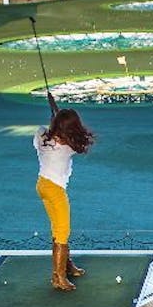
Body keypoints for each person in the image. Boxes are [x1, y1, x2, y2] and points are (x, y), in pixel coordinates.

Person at [34, 103, 94, 291]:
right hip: (55, 190)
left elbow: (47, 130)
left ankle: (66, 267)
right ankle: (58, 278)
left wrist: (56, 117)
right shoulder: (69, 146)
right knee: (63, 231)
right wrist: (57, 112)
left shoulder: (41, 135)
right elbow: (81, 143)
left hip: (42, 185)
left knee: (57, 228)